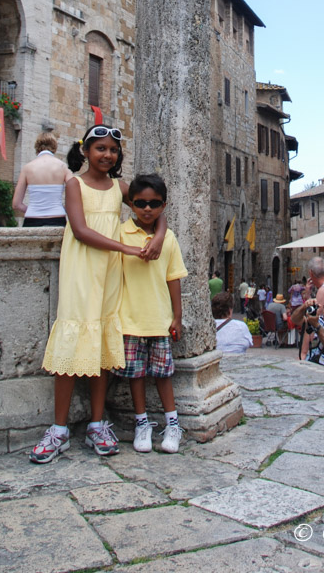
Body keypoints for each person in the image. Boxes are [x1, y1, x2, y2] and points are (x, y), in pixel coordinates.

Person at [30, 125, 166, 464]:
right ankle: (58, 428)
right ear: (86, 151)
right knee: (74, 336)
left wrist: (160, 235)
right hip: (81, 269)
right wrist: (125, 247)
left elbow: (157, 204)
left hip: (110, 274)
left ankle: (96, 423)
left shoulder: (121, 188)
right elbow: (80, 229)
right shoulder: (74, 184)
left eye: (113, 150)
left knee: (103, 341)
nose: (107, 155)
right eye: (100, 149)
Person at [115, 173, 188, 454]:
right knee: (135, 375)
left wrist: (177, 317)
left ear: (164, 206)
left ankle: (172, 424)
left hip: (159, 319)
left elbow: (174, 279)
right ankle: (142, 423)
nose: (147, 209)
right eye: (141, 203)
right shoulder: (120, 235)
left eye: (154, 204)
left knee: (163, 374)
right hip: (130, 318)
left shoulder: (168, 239)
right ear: (131, 204)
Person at [12, 132, 72, 227]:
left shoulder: (27, 168)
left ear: (37, 147)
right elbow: (75, 192)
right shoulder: (63, 167)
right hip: (57, 217)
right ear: (54, 147)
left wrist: (33, 210)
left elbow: (16, 204)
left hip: (32, 218)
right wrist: (63, 208)